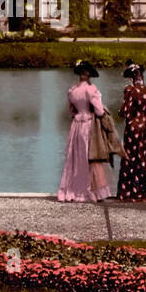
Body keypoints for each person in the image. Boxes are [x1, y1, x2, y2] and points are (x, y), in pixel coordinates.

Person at [57, 60, 111, 202]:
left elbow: (71, 111)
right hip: (88, 124)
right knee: (88, 157)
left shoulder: (72, 90)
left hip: (76, 125)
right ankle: (90, 190)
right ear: (88, 74)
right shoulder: (91, 90)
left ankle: (73, 190)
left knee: (74, 158)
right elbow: (99, 111)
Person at [116, 62, 146, 202]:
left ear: (131, 78)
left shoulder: (130, 91)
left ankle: (133, 191)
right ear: (142, 76)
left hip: (134, 127)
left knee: (133, 157)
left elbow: (124, 112)